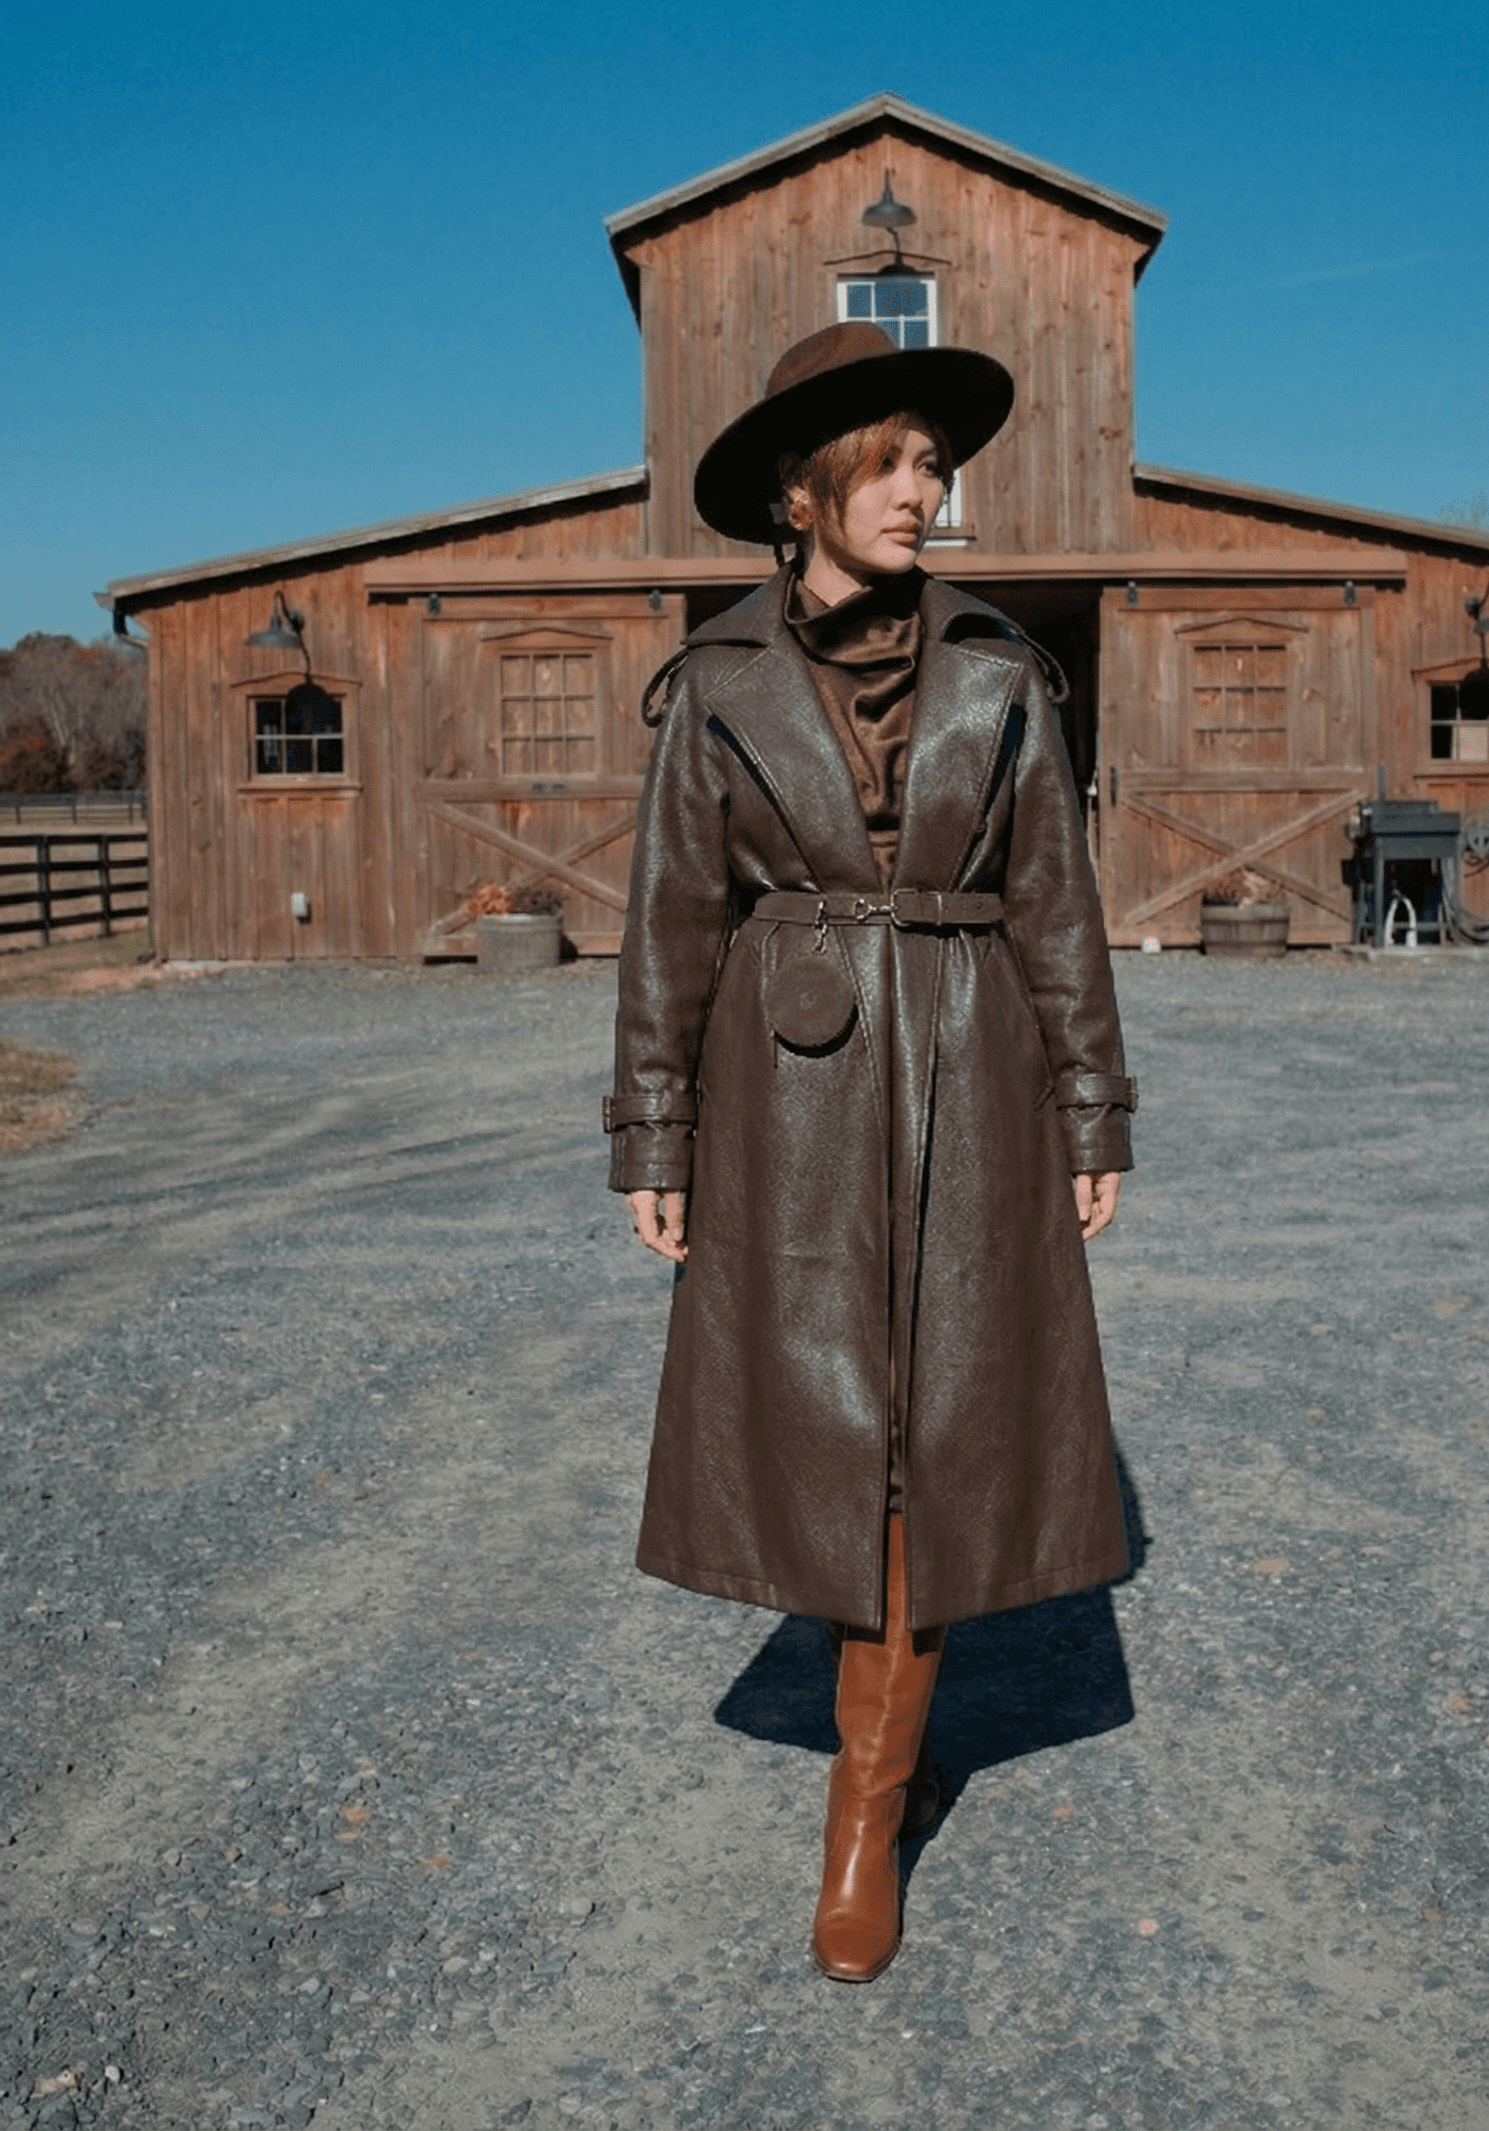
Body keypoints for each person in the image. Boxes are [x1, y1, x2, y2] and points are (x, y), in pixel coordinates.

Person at [604, 319, 1134, 1982]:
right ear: (801, 488)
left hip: (978, 1068)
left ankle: (865, 1804)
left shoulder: (1003, 672)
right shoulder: (714, 688)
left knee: (943, 1424)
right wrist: (653, 1129)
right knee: (834, 1419)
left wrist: (1091, 1108)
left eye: (935, 463)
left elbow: (1058, 903)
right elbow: (671, 923)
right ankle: (871, 1784)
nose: (929, 490)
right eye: (896, 463)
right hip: (785, 1084)